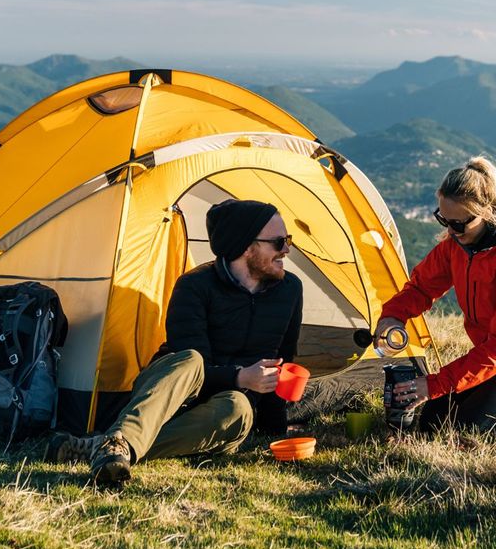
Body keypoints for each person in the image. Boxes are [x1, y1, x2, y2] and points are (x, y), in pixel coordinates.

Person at [46, 198, 303, 486]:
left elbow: (284, 361)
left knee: (239, 407)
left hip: (215, 411)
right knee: (191, 359)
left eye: (287, 240)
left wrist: (275, 430)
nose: (286, 250)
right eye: (278, 242)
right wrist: (241, 376)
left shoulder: (290, 289)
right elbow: (193, 369)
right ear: (246, 247)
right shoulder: (195, 286)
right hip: (169, 393)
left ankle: (109, 448)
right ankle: (122, 440)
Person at [374, 156, 496, 432]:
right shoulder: (456, 246)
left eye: (459, 224)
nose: (451, 231)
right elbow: (421, 288)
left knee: (470, 427)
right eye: (444, 220)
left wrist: (433, 384)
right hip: (493, 361)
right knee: (433, 422)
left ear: (486, 212)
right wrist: (393, 316)